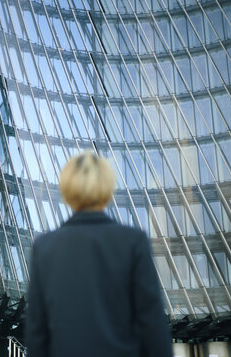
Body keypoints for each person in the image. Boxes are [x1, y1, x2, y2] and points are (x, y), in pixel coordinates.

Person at [25, 151, 172, 357]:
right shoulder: (132, 242)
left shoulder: (45, 248)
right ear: (107, 188)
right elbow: (153, 326)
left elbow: (37, 334)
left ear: (67, 189)